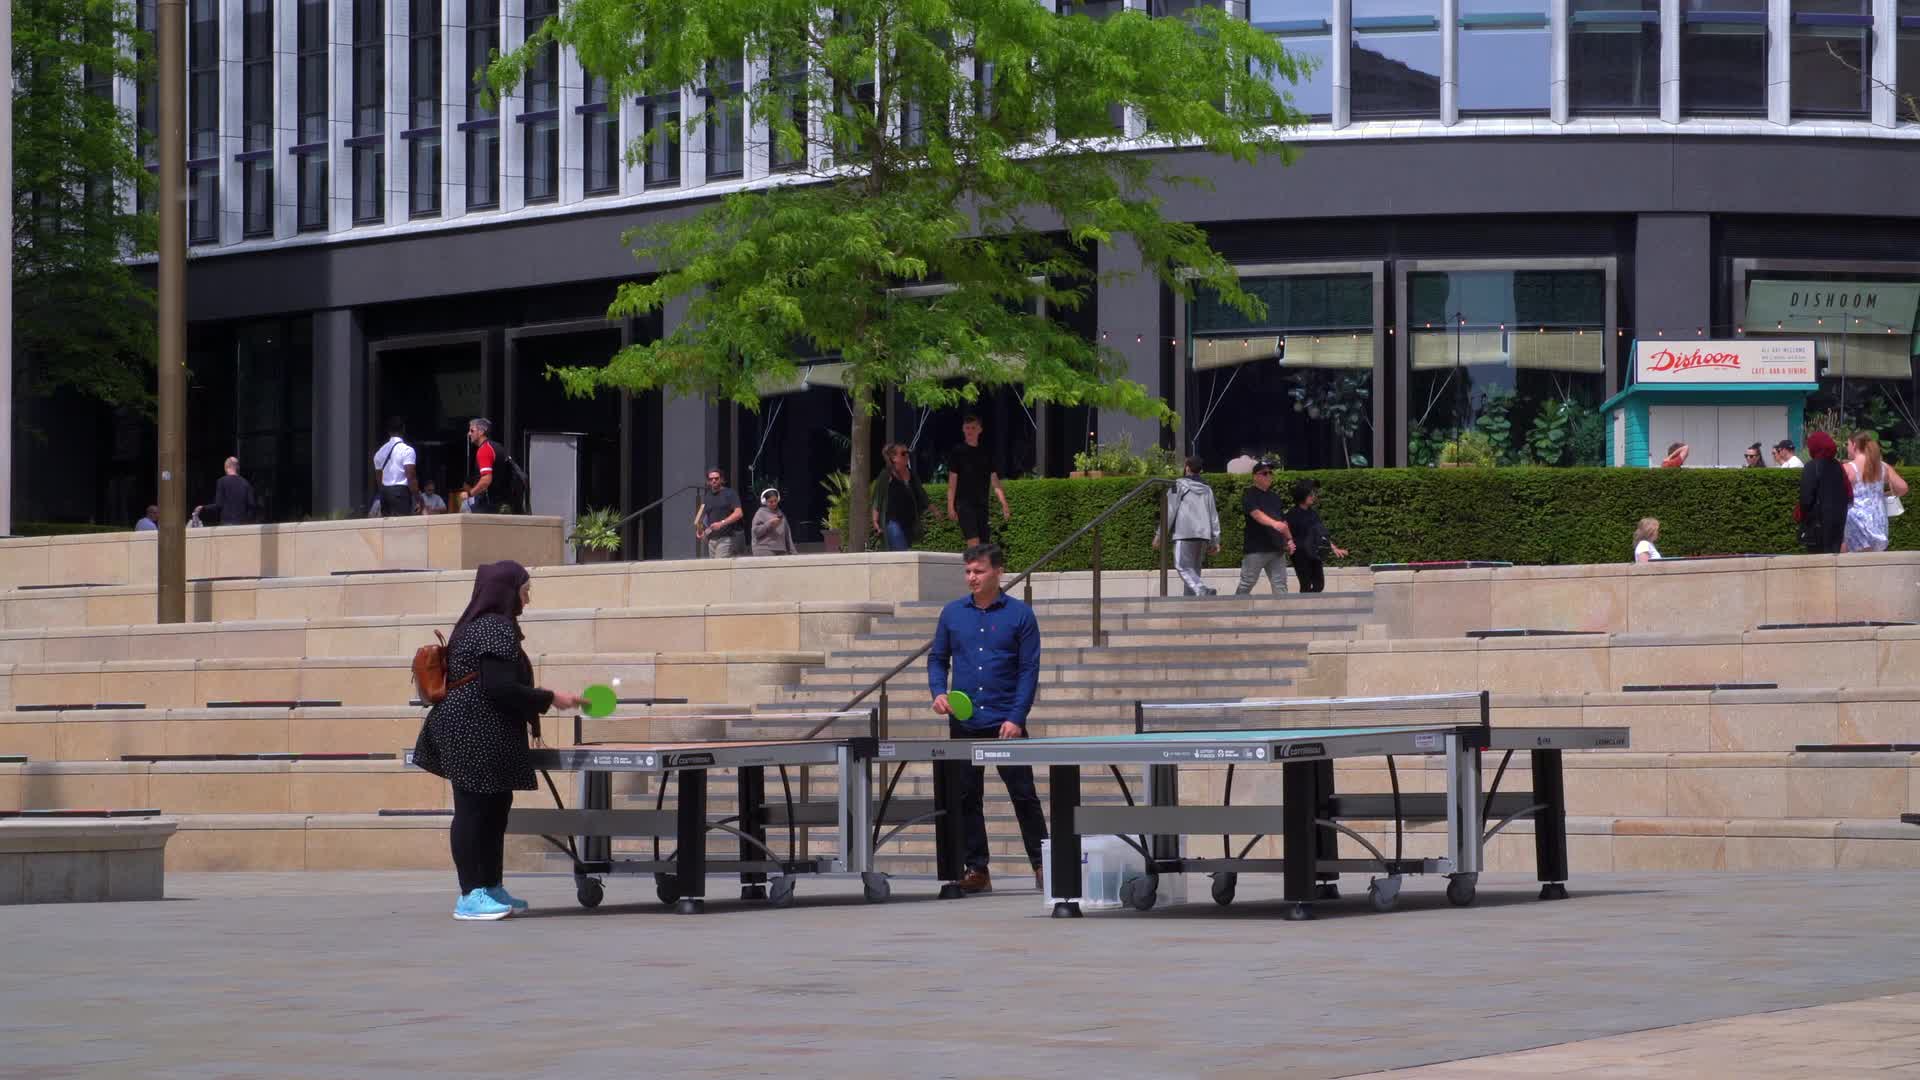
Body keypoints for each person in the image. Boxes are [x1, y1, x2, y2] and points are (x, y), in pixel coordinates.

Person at [412, 561, 583, 921]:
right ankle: (470, 894)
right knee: (474, 812)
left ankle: (489, 886)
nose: (528, 597)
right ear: (506, 590)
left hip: (477, 730)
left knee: (493, 810)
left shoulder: (476, 625)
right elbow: (500, 687)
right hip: (473, 730)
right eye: (524, 589)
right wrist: (552, 697)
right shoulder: (495, 628)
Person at [927, 543, 1047, 893]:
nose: (971, 578)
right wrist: (938, 691)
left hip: (1005, 722)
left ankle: (1042, 864)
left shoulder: (1020, 615)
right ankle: (976, 868)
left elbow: (1029, 670)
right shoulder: (952, 614)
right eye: (967, 572)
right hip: (964, 723)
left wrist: (1017, 716)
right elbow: (938, 658)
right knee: (965, 796)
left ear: (998, 572)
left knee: (1024, 794)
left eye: (978, 571)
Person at [1153, 456, 1221, 596]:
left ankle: (1202, 590)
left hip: (1184, 533)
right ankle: (1192, 601)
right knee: (1193, 571)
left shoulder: (1177, 485)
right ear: (1200, 470)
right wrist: (1215, 540)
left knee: (1182, 566)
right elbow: (1213, 516)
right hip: (1203, 535)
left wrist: (1160, 534)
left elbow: (1169, 510)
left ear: (1187, 468)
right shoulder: (1207, 489)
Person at [946, 415, 1011, 548]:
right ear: (963, 429)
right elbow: (952, 481)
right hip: (964, 504)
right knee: (973, 541)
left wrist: (1004, 503)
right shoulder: (958, 452)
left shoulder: (986, 452)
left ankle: (977, 568)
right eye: (967, 428)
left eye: (973, 428)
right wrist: (950, 506)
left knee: (984, 544)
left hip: (982, 504)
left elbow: (994, 480)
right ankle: (973, 569)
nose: (970, 431)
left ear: (980, 430)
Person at [1235, 461, 1294, 595]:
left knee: (1280, 586)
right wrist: (1274, 524)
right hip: (1256, 548)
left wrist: (1289, 539)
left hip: (1276, 549)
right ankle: (1236, 609)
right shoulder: (1249, 494)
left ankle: (1282, 615)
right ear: (1255, 476)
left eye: (1270, 473)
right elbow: (1256, 514)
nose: (1269, 476)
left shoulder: (1275, 497)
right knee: (1247, 582)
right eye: (1264, 473)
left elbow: (1283, 521)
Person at [1843, 433, 1908, 553]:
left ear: (1854, 445)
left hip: (1856, 523)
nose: (1847, 447)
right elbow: (1903, 488)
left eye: (1847, 444)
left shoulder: (1848, 468)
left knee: (1854, 565)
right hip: (1879, 521)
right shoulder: (1883, 466)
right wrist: (1884, 494)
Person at [1284, 478, 1348, 594]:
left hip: (1314, 553)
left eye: (1314, 493)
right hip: (1300, 555)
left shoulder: (1313, 514)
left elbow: (1321, 534)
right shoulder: (1291, 514)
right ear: (1302, 495)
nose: (1313, 496)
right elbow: (1284, 533)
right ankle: (1304, 609)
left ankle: (1309, 605)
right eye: (1310, 494)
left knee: (1319, 585)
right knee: (1306, 585)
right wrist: (1287, 546)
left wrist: (1334, 548)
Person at [1797, 432, 1851, 555]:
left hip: (1818, 525)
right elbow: (1845, 494)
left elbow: (1806, 499)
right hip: (1837, 525)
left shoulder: (1811, 466)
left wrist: (1803, 516)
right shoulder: (1838, 466)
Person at [871, 443, 930, 552]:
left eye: (907, 453)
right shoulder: (886, 474)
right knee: (901, 551)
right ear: (894, 458)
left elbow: (921, 494)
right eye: (903, 453)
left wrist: (934, 510)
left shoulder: (911, 474)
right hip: (892, 522)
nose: (906, 455)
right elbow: (877, 499)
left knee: (899, 553)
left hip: (908, 523)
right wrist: (875, 521)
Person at [373, 417, 421, 517]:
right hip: (400, 494)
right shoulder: (407, 450)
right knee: (402, 529)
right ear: (403, 429)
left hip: (385, 494)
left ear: (388, 431)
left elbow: (379, 479)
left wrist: (383, 494)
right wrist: (418, 498)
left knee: (387, 530)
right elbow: (410, 476)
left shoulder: (379, 453)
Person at [695, 468, 746, 557]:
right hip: (711, 539)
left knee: (720, 565)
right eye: (711, 479)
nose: (714, 480)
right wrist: (701, 530)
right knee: (714, 568)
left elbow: (739, 513)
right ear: (708, 482)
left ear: (722, 479)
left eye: (716, 478)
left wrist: (721, 523)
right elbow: (706, 516)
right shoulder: (707, 496)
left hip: (727, 537)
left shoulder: (730, 493)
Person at [465, 418, 502, 513]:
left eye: (472, 430)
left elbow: (486, 480)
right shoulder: (498, 447)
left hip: (486, 504)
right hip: (499, 503)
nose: (469, 434)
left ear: (481, 432)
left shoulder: (484, 450)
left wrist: (470, 494)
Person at [209, 457, 256, 525]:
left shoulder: (221, 481)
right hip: (242, 524)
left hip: (226, 524)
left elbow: (218, 504)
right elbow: (252, 505)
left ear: (226, 467)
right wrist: (246, 520)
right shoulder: (246, 483)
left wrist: (204, 508)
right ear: (237, 467)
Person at [751, 488, 797, 555]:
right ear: (764, 501)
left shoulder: (781, 514)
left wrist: (793, 551)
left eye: (775, 501)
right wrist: (769, 524)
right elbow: (756, 532)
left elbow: (787, 534)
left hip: (781, 549)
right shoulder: (760, 513)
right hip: (764, 549)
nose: (774, 503)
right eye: (771, 502)